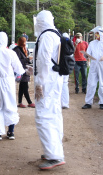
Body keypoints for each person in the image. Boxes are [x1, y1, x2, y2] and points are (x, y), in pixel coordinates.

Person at [34, 10, 66, 170]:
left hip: (47, 80)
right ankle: (53, 149)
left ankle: (54, 155)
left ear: (40, 22)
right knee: (53, 113)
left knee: (43, 116)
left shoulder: (46, 36)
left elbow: (45, 61)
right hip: (54, 78)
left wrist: (39, 83)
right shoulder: (56, 34)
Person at [81, 26, 103, 110]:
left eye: (97, 34)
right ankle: (88, 102)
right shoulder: (92, 43)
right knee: (91, 83)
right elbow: (88, 53)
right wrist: (86, 55)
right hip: (93, 65)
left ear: (101, 34)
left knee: (102, 84)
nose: (96, 36)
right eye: (95, 34)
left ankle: (102, 102)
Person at [13, 37, 35, 108]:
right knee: (25, 86)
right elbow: (18, 61)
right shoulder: (16, 50)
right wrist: (27, 59)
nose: (25, 43)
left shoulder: (24, 49)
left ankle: (20, 102)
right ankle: (29, 102)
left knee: (22, 87)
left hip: (25, 69)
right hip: (21, 70)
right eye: (25, 42)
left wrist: (29, 61)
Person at [60, 32, 71, 109]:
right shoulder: (70, 47)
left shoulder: (61, 45)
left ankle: (61, 103)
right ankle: (65, 103)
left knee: (60, 84)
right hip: (67, 68)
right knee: (65, 84)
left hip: (62, 68)